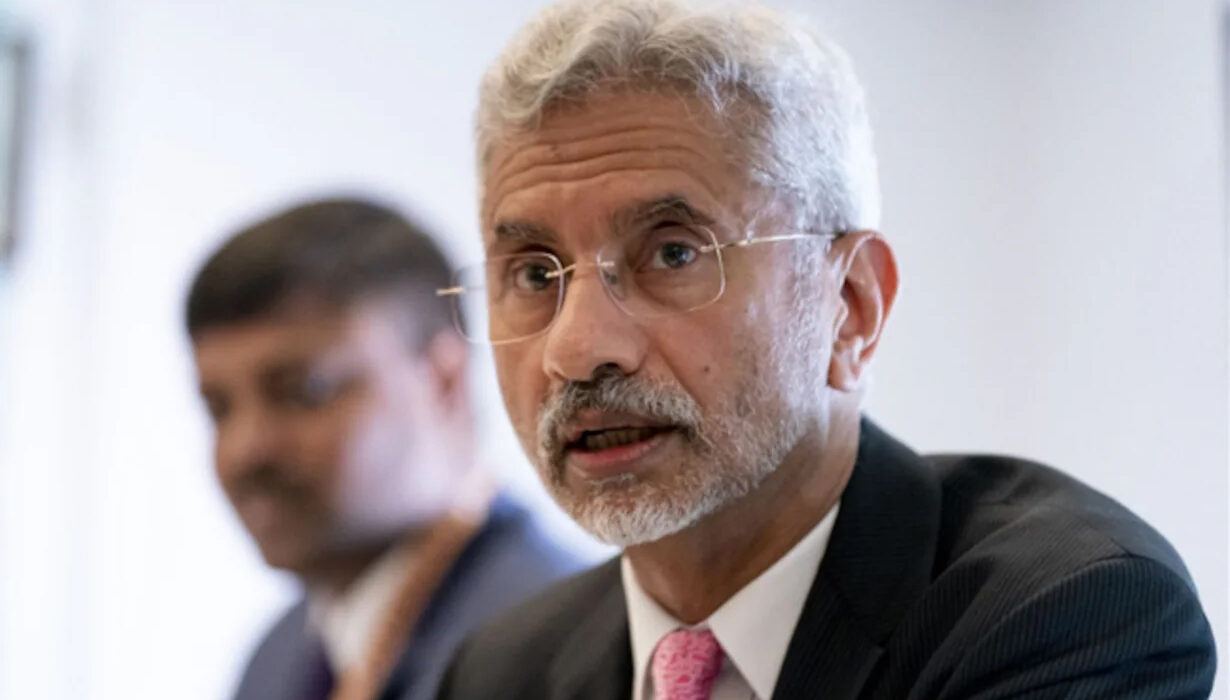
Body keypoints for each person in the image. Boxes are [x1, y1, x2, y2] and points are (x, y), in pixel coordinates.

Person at [434, 1, 1217, 698]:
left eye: (673, 253)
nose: (576, 349)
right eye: (534, 273)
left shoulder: (1062, 614)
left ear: (850, 307)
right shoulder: (500, 672)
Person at [185, 197, 584, 700]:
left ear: (442, 382)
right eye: (219, 408)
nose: (245, 450)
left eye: (304, 391)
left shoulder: (560, 652)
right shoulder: (277, 659)